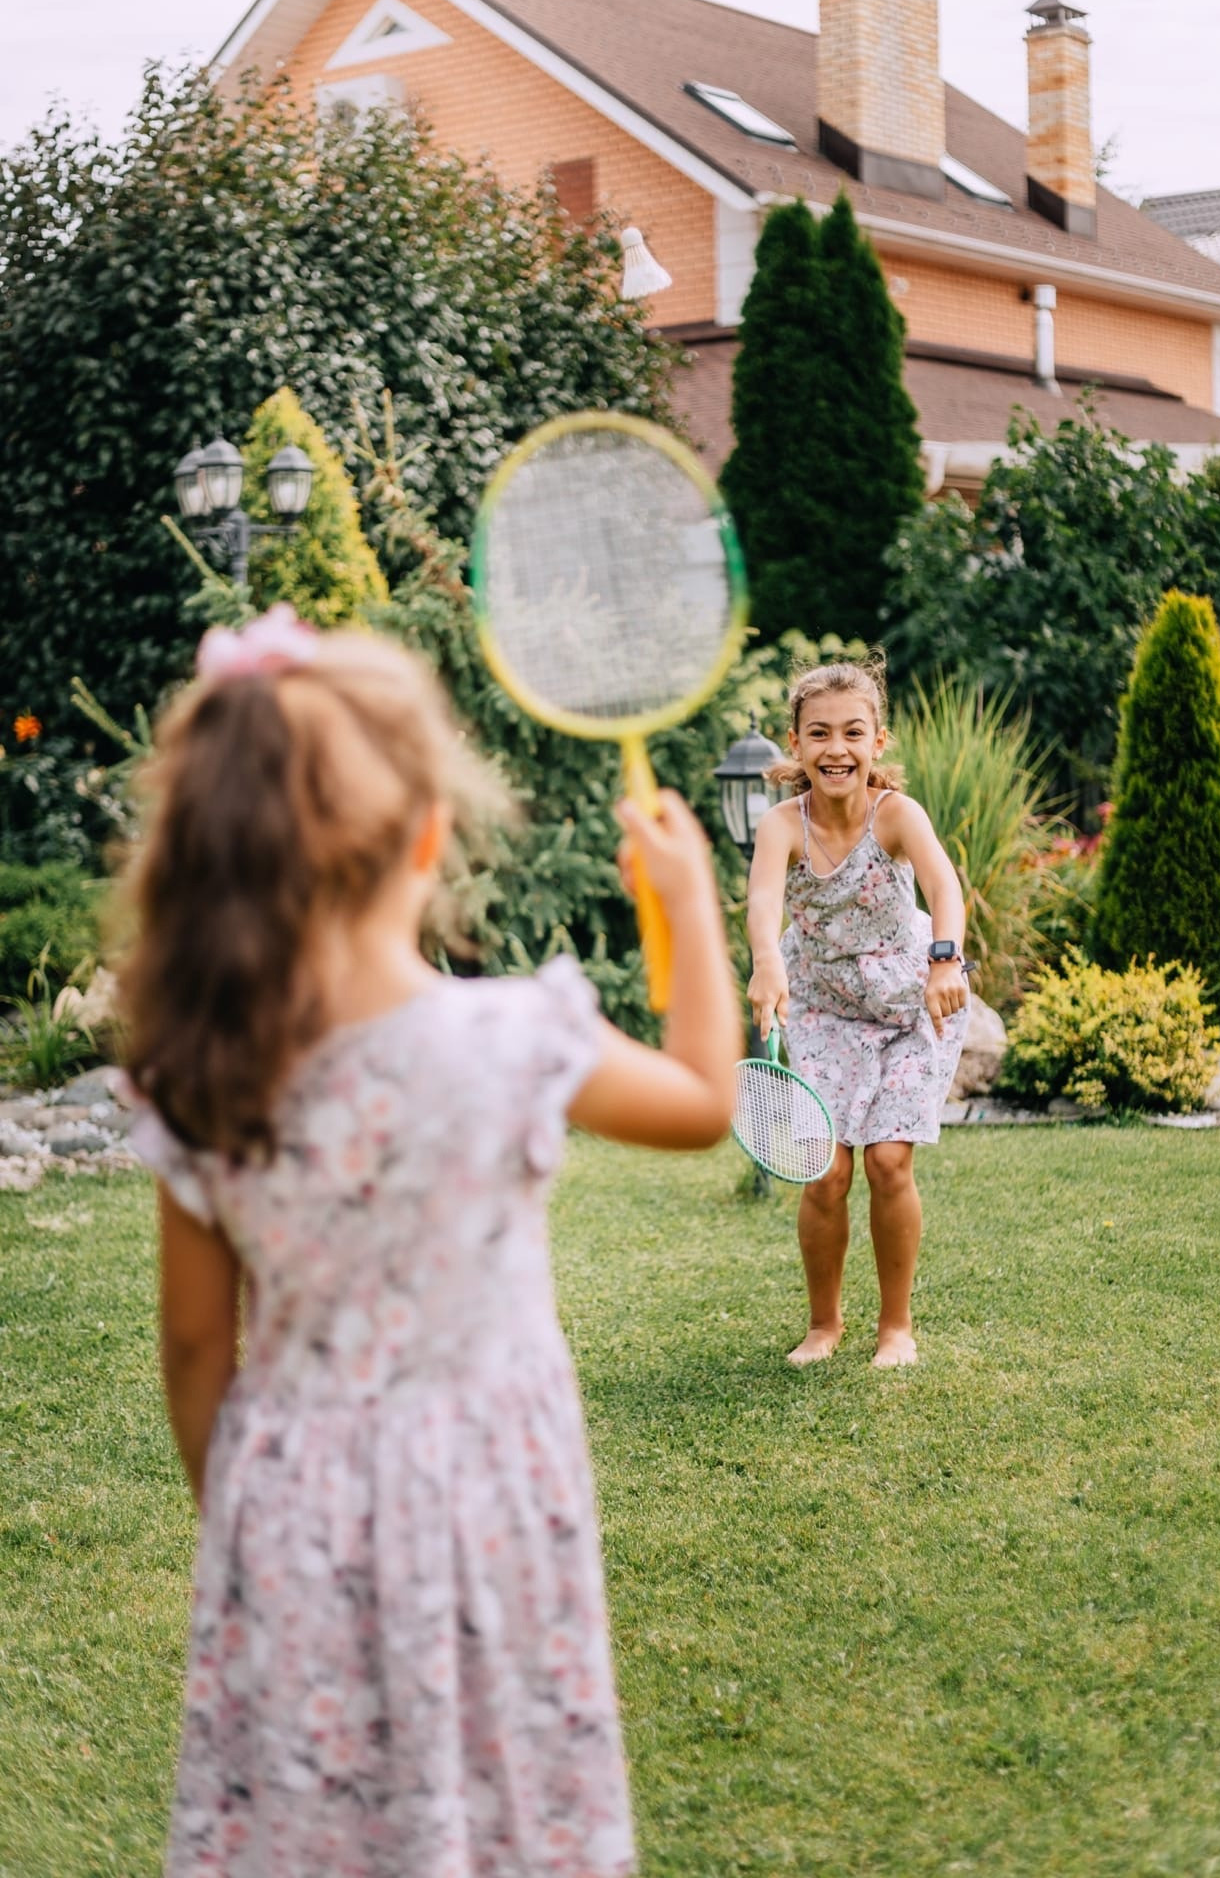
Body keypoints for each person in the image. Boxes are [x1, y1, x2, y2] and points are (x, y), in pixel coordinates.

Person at [120, 605, 740, 1878]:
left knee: (312, 1818)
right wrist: (693, 905)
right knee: (500, 1794)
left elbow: (195, 1352)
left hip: (289, 1507)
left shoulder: (205, 1073)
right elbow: (702, 1101)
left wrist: (246, 1510)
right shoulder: (509, 1042)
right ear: (425, 833)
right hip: (484, 1505)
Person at [746, 658, 969, 1370]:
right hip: (824, 1008)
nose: (835, 748)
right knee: (825, 1172)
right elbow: (763, 905)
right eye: (819, 734)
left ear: (877, 741)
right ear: (796, 743)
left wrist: (944, 958)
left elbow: (943, 884)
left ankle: (896, 1328)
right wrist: (766, 961)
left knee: (889, 1159)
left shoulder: (895, 815)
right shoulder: (782, 825)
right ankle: (824, 1325)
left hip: (911, 1003)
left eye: (851, 732)